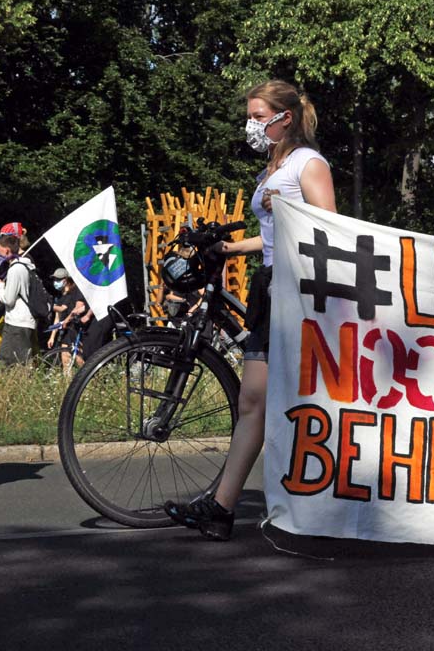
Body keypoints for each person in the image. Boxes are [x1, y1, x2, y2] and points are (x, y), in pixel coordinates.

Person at [164, 79, 336, 540]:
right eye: (251, 116)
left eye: (259, 117)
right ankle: (220, 510)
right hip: (268, 284)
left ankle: (337, 499)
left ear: (286, 117)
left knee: (304, 400)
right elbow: (272, 233)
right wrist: (228, 247)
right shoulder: (272, 168)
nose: (252, 125)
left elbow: (330, 229)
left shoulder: (308, 164)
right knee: (253, 400)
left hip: (296, 289)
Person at [0, 223, 38, 365]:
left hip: (18, 322)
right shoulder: (22, 264)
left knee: (13, 365)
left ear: (7, 248)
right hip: (20, 320)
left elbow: (9, 299)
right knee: (12, 363)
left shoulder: (17, 267)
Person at [48, 268, 92, 369]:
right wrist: (52, 336)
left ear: (66, 280)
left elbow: (64, 308)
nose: (56, 282)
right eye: (54, 279)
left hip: (75, 328)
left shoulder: (74, 293)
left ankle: (86, 378)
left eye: (58, 280)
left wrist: (48, 305)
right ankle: (66, 381)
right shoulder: (59, 296)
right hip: (65, 331)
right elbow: (57, 317)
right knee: (65, 357)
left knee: (79, 358)